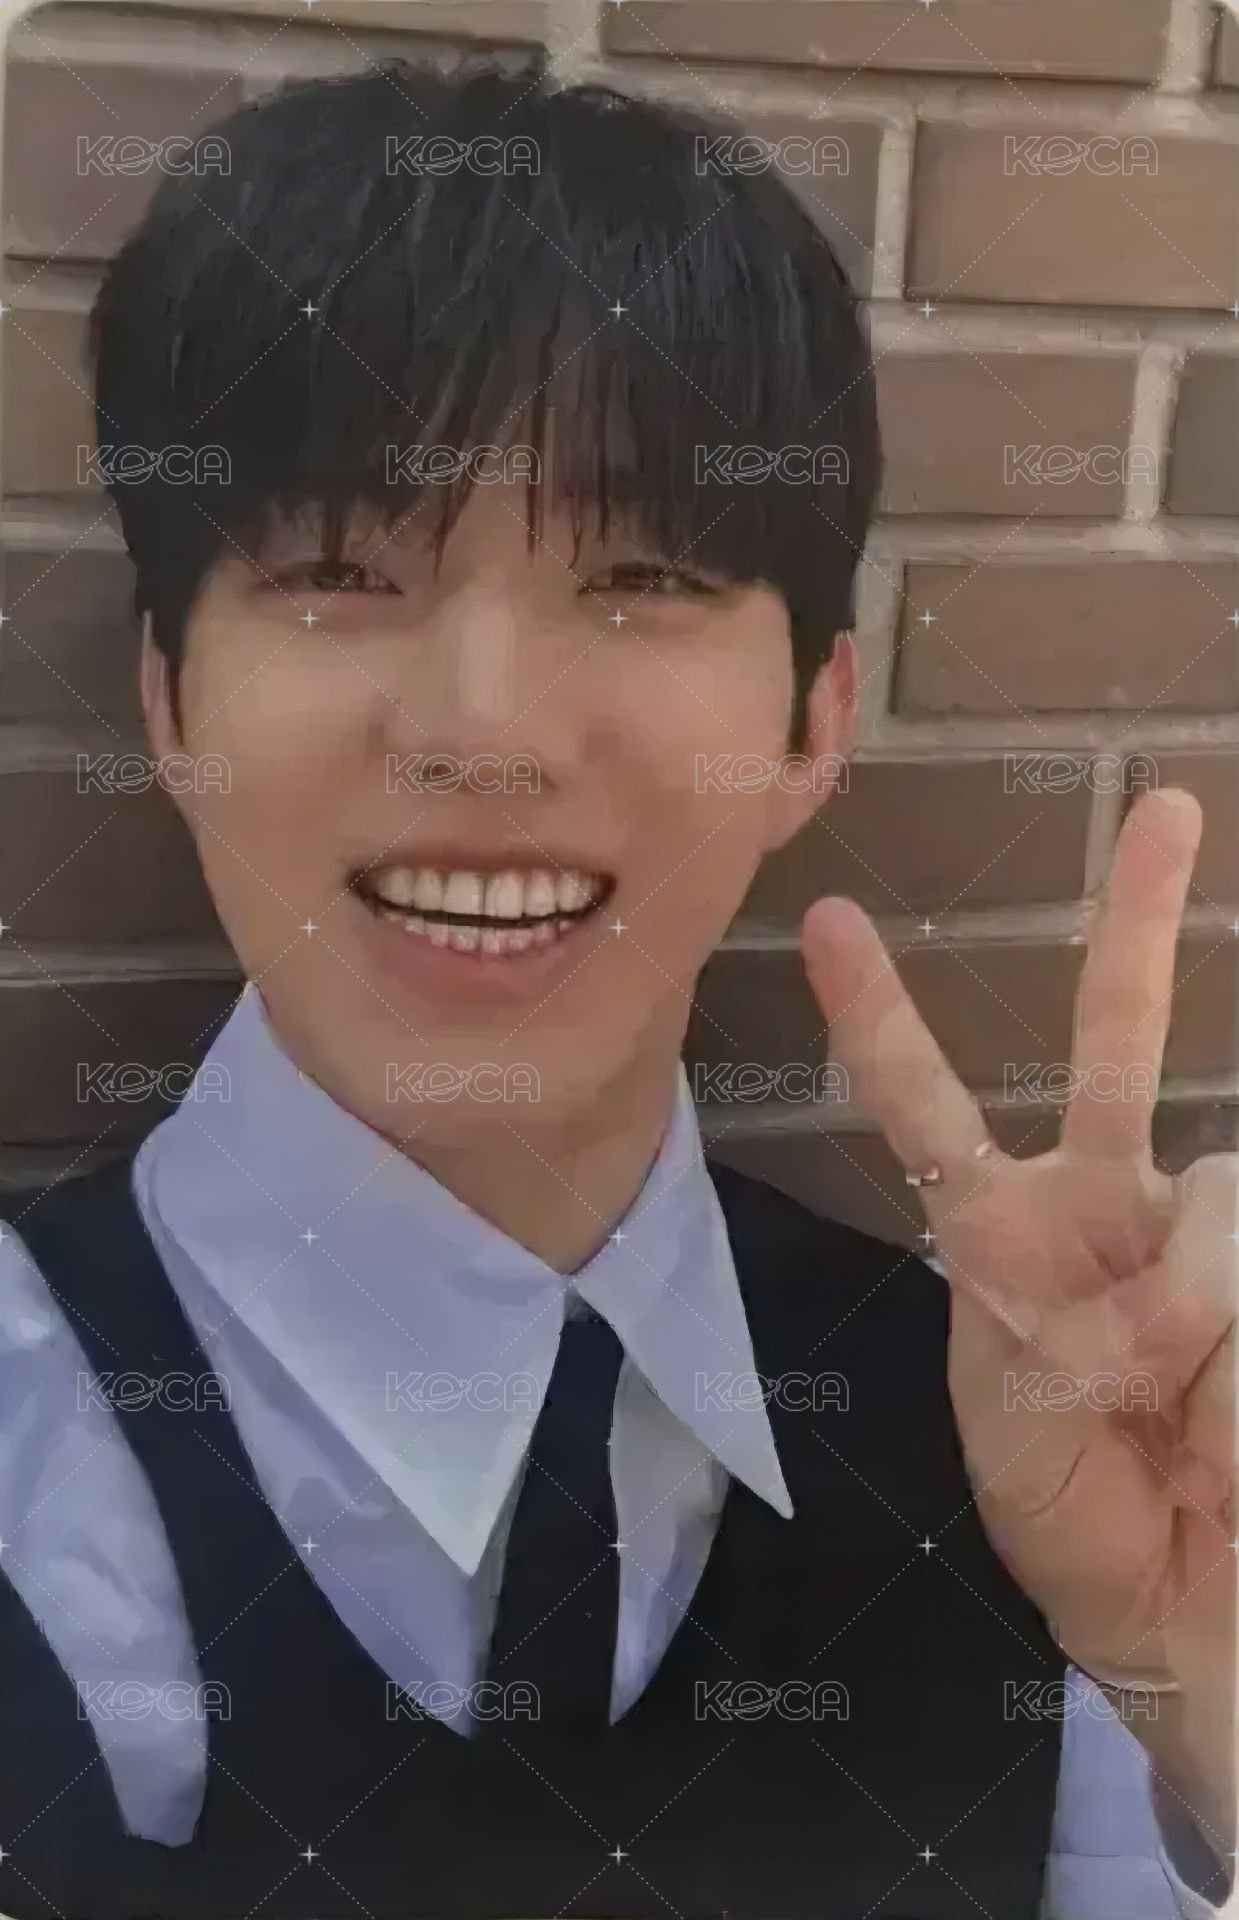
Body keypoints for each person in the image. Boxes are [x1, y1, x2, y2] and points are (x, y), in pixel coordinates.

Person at [0, 57, 1232, 1920]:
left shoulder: (1040, 1450)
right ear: (167, 700)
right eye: (337, 569)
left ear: (815, 721)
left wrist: (1199, 1700)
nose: (486, 731)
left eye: (643, 575)